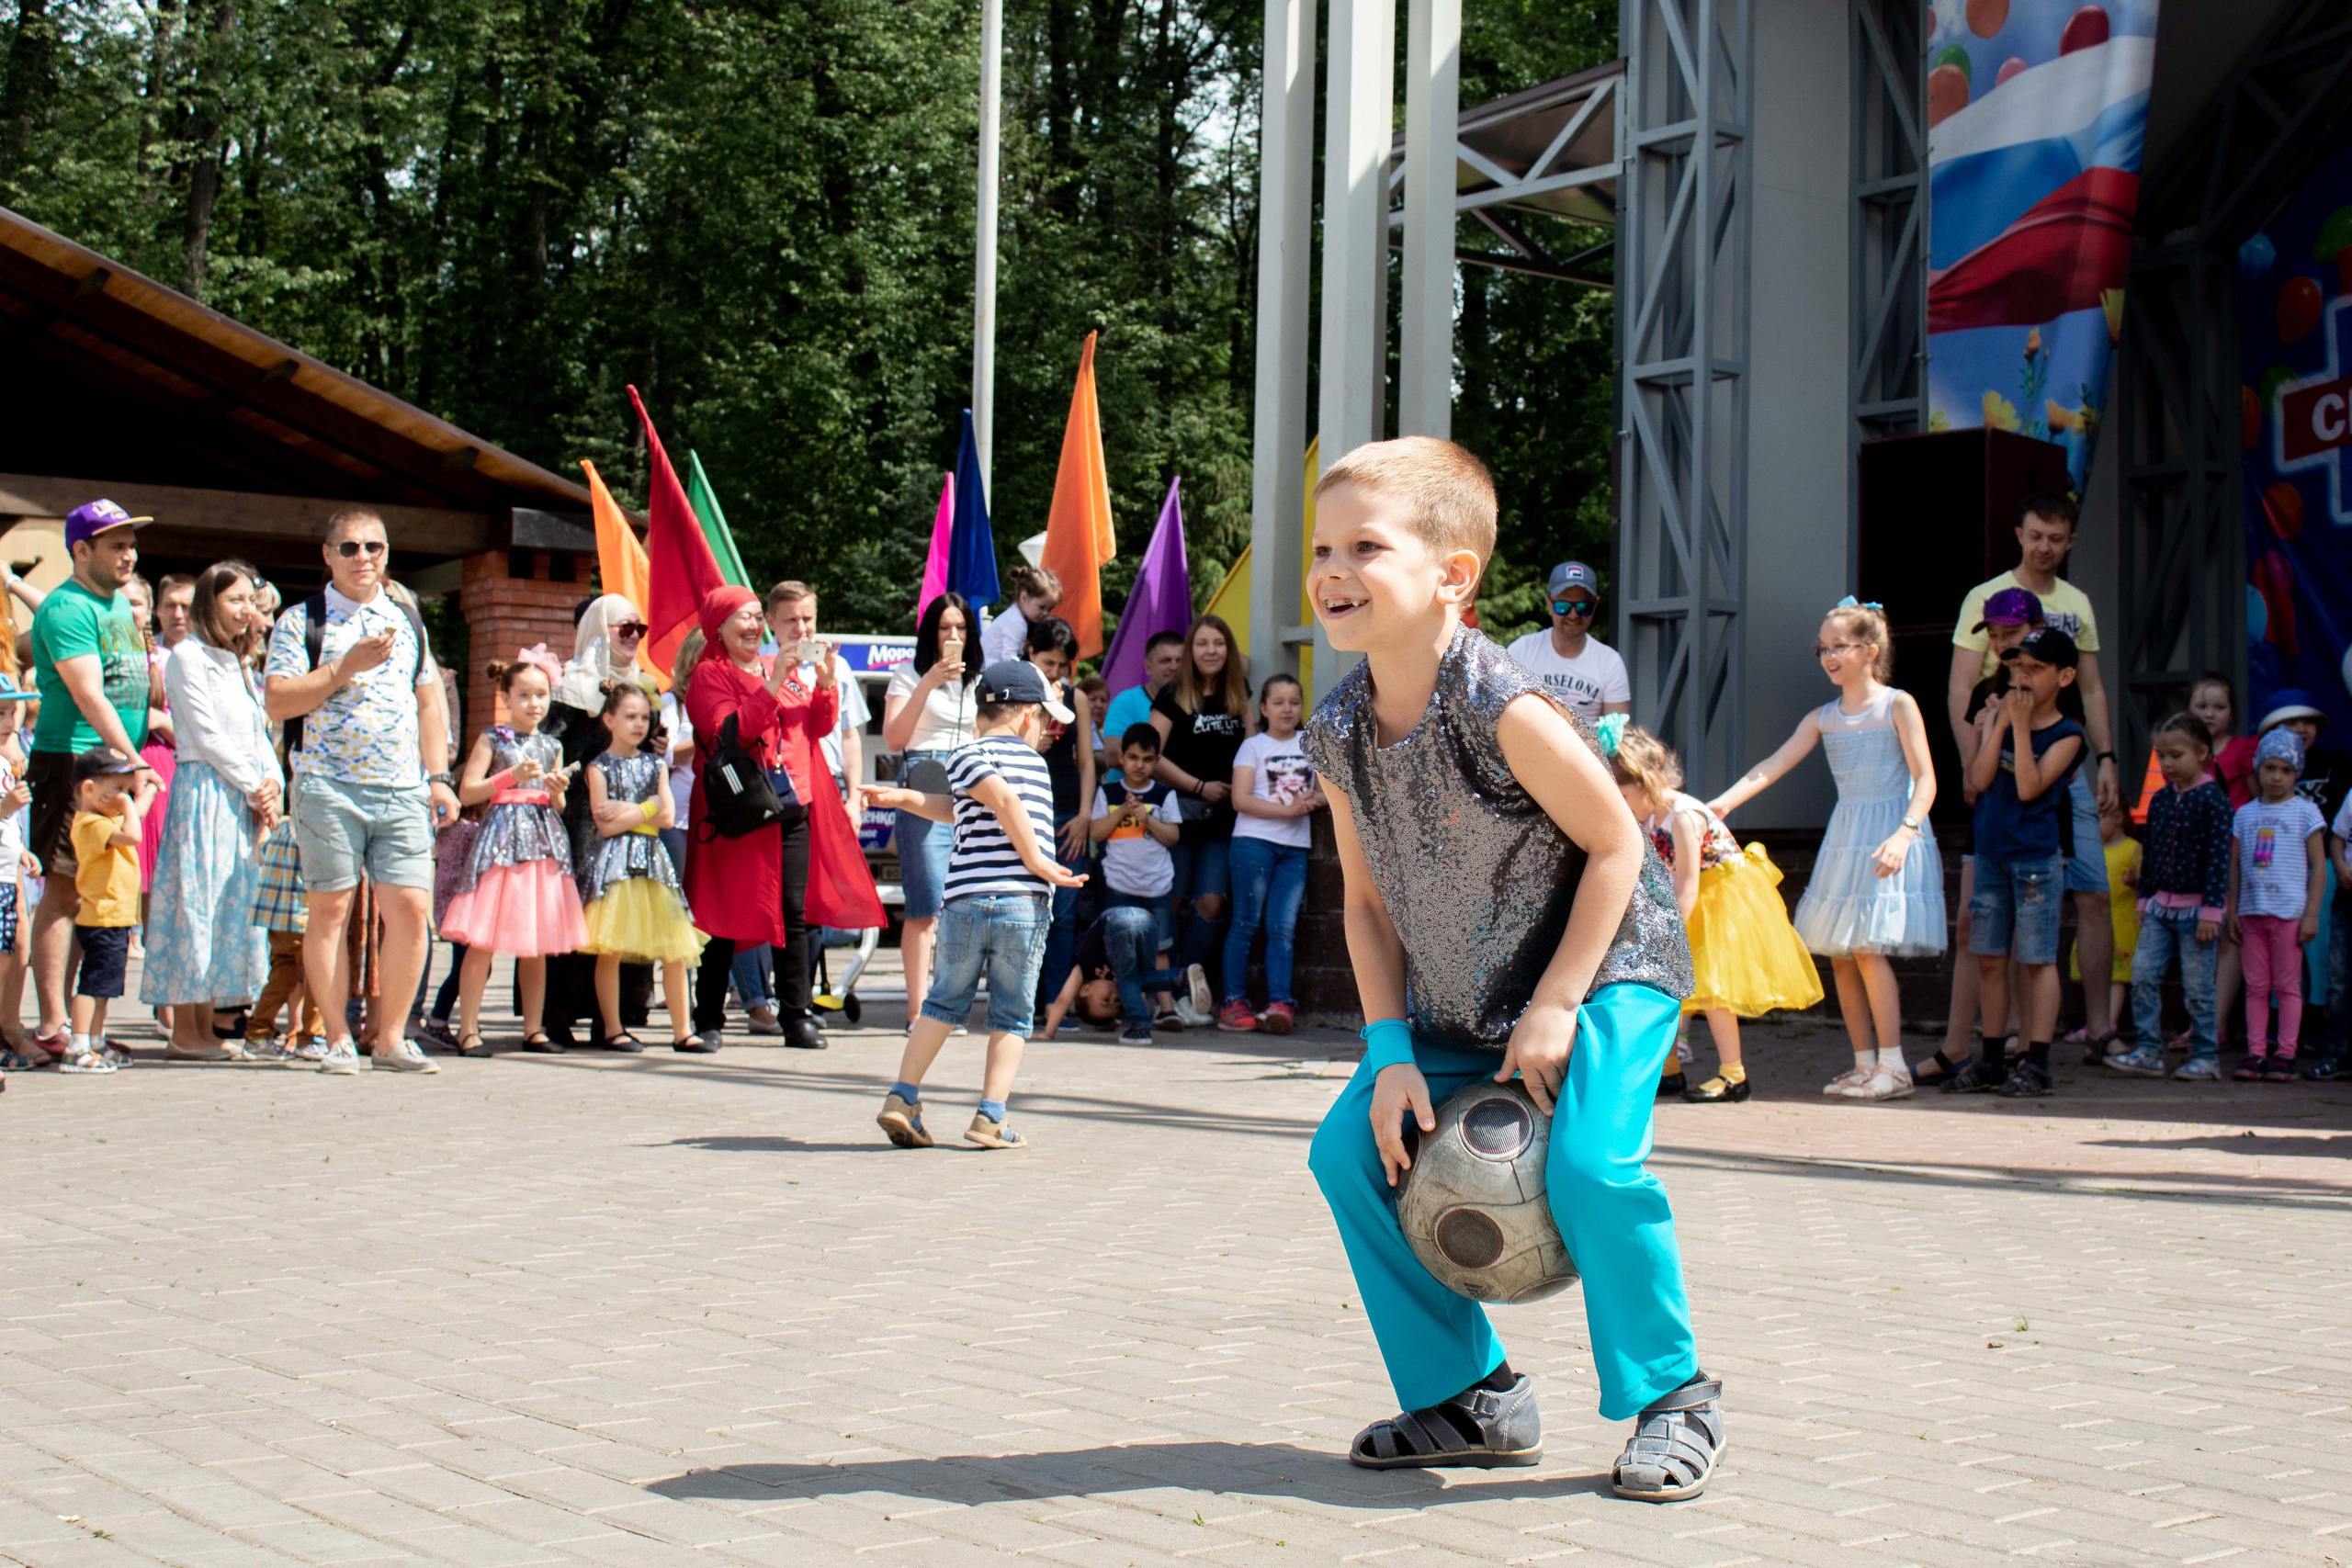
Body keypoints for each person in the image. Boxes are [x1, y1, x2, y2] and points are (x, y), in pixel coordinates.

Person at [1295, 437, 1715, 1497]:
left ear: (1453, 575)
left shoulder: (1502, 704)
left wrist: (1563, 999)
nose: (1331, 569)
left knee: (1588, 1167)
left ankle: (1675, 1396)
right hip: (1460, 995)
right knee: (1348, 1152)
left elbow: (1620, 845)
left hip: (1607, 963)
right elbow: (1364, 903)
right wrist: (1388, 1051)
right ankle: (1470, 1396)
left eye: (1364, 546)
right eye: (1321, 547)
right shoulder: (1335, 731)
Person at [1709, 599, 1942, 1100]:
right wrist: (1721, 806)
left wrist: (1905, 832)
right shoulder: (1824, 717)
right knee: (1840, 954)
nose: (1829, 655)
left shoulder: (1897, 704)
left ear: (1870, 650)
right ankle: (1863, 1064)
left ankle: (1895, 1066)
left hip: (1888, 829)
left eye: (1840, 646)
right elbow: (1771, 766)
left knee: (1866, 948)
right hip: (1846, 835)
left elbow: (1925, 778)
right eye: (1823, 647)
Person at [263, 507, 459, 1076]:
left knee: (411, 908)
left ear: (387, 554)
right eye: (349, 547)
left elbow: (428, 702)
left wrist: (438, 777)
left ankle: (392, 1038)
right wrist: (345, 666)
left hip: (401, 788)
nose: (362, 558)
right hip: (328, 786)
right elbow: (278, 702)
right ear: (327, 554)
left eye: (373, 547)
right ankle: (338, 1040)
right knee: (331, 912)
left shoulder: (407, 621)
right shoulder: (303, 621)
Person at [869, 660, 1087, 1151]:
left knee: (944, 1002)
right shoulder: (1033, 762)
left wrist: (903, 796)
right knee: (1012, 1015)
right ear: (1029, 715)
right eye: (1047, 720)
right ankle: (990, 1115)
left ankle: (903, 1097)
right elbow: (1001, 804)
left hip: (968, 901)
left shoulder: (965, 754)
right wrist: (1040, 863)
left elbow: (981, 805)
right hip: (1022, 903)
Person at [1948, 494, 2120, 1045]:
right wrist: (1972, 756)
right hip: (2000, 766)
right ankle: (1992, 1044)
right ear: (2019, 534)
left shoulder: (2077, 603)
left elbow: (2090, 688)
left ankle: (2096, 1031)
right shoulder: (1985, 597)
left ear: (2069, 543)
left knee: (2090, 894)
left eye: (2055, 538)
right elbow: (1961, 688)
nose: (2044, 547)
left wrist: (2109, 757)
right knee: (1988, 919)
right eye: (2035, 535)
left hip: (2060, 762)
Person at [1612, 719, 1823, 1103]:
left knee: (1713, 988)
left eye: (1623, 797)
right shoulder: (1654, 814)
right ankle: (1671, 1069)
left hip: (1719, 900)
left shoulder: (1684, 817)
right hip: (1691, 900)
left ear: (1644, 783)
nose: (1621, 807)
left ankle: (1734, 1075)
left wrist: (1669, 934)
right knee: (1676, 987)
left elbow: (1689, 883)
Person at [24, 501, 153, 1067]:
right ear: (81, 551)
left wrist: (131, 760)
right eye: (115, 545)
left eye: (130, 544)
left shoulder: (118, 605)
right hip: (70, 765)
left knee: (98, 895)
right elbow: (89, 695)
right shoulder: (68, 607)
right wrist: (134, 760)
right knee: (63, 889)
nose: (128, 554)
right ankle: (54, 1024)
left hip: (112, 767)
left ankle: (83, 1027)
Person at [683, 585, 838, 1053]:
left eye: (755, 617)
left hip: (788, 804)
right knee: (724, 911)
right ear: (720, 629)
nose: (752, 626)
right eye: (742, 618)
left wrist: (825, 683)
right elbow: (732, 732)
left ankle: (796, 1015)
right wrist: (772, 686)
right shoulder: (710, 675)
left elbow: (815, 726)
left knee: (792, 913)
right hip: (737, 807)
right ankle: (708, 1016)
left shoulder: (780, 669)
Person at [141, 562, 281, 1059]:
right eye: (235, 600)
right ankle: (186, 1031)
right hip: (205, 792)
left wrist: (271, 783)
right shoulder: (187, 657)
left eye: (250, 601)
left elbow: (259, 734)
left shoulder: (237, 662)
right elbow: (204, 734)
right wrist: (252, 785)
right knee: (195, 908)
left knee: (226, 910)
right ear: (210, 601)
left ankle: (208, 1028)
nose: (246, 611)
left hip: (240, 799)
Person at [1950, 627, 2087, 1097]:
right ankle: (1991, 1059)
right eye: (2015, 667)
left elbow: (2030, 786)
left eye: (2034, 668)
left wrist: (2022, 728)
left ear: (2065, 676)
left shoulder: (2069, 736)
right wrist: (1998, 727)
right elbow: (1981, 778)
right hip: (1992, 853)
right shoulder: (2001, 715)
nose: (2021, 678)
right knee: (1989, 958)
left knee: (2036, 958)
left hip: (2036, 861)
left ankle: (2037, 1062)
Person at [1928, 588, 2047, 1079]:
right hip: (1989, 824)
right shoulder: (1984, 691)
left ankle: (2025, 1039)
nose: (2000, 644)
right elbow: (1978, 772)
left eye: (2010, 634)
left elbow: (2045, 767)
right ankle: (1967, 1044)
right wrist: (1987, 727)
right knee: (1977, 924)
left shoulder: (2053, 689)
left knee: (2031, 937)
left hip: (2035, 832)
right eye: (1994, 635)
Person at [442, 649, 586, 1052]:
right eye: (523, 695)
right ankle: (468, 1028)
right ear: (506, 697)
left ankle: (534, 1029)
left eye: (541, 695)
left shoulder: (551, 744)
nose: (534, 704)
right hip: (500, 843)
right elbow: (468, 790)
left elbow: (555, 804)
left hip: (542, 844)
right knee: (482, 940)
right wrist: (509, 776)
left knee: (536, 940)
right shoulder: (492, 739)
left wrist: (556, 793)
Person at [2107, 713, 2232, 1081]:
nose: (2167, 764)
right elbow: (2152, 854)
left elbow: (2219, 858)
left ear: (2202, 753)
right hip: (2159, 907)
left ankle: (2206, 1056)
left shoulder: (2214, 801)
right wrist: (2145, 900)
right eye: (2161, 756)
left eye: (2176, 755)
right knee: (2143, 974)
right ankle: (2148, 1050)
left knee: (2197, 986)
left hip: (2197, 912)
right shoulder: (2160, 801)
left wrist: (2213, 911)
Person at [580, 682, 706, 1049]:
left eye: (644, 718)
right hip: (616, 866)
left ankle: (683, 1031)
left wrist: (636, 811)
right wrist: (648, 808)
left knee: (674, 947)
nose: (639, 724)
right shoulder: (598, 768)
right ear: (609, 720)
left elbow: (667, 816)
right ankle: (612, 1029)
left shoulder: (655, 764)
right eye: (630, 717)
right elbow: (605, 824)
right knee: (611, 948)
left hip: (654, 863)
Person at [883, 594, 978, 1024]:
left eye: (960, 627)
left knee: (963, 904)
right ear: (930, 633)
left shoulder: (978, 682)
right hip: (923, 782)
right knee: (925, 905)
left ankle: (949, 1004)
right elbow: (894, 738)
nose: (953, 636)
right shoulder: (907, 676)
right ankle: (918, 1010)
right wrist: (928, 683)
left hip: (971, 787)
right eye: (945, 627)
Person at [1151, 615, 1251, 996]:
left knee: (1211, 904)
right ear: (1191, 650)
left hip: (1225, 820)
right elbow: (1153, 756)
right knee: (1174, 902)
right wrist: (1199, 786)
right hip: (1178, 815)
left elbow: (1252, 747)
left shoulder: (1239, 691)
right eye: (1203, 644)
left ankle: (1189, 984)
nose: (1211, 651)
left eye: (1219, 643)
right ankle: (1168, 990)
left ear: (1229, 650)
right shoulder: (1173, 693)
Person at [1218, 671, 1322, 1034]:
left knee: (1283, 928)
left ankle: (1280, 1003)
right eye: (1278, 702)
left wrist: (1313, 799)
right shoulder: (1253, 747)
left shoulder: (1310, 743)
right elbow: (1240, 799)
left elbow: (1326, 794)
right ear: (1263, 708)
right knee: (1245, 922)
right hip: (1253, 842)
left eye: (1294, 702)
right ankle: (1233, 1001)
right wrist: (1288, 811)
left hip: (1294, 848)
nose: (1287, 709)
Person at [2229, 728, 2324, 1080]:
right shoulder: (2244, 815)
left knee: (2287, 986)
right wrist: (2234, 909)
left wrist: (2311, 914)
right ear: (2258, 769)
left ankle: (2285, 1053)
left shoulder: (2306, 812)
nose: (2277, 776)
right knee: (2255, 986)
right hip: (2252, 913)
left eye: (2286, 769)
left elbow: (2318, 867)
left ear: (2296, 773)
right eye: (2270, 767)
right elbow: (2235, 867)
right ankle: (2255, 1053)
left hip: (2288, 914)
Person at [62, 745, 156, 1074]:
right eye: (115, 789)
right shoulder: (91, 824)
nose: (122, 796)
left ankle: (96, 1041)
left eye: (125, 789)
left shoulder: (108, 817)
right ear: (89, 789)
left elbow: (137, 815)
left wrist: (151, 787)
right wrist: (130, 803)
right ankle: (77, 1045)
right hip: (100, 918)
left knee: (104, 988)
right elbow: (133, 834)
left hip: (115, 918)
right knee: (91, 985)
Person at [1025, 615, 1095, 1031]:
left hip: (1069, 813)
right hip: (1027, 813)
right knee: (1028, 910)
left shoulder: (1076, 699)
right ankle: (1023, 1001)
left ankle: (1055, 1003)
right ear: (1030, 655)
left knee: (1064, 916)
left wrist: (1086, 814)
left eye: (1060, 666)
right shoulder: (1015, 693)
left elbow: (1086, 762)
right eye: (1046, 663)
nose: (1052, 673)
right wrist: (1033, 740)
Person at [1091, 723, 1184, 990]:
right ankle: (1132, 1005)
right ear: (1121, 758)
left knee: (1160, 948)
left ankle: (1165, 1007)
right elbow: (1096, 833)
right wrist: (1121, 811)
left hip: (1156, 885)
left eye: (1147, 759)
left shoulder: (1164, 794)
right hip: (1119, 885)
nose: (1139, 765)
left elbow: (1173, 837)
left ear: (1157, 760)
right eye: (1133, 757)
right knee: (1122, 950)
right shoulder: (1107, 792)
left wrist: (1148, 820)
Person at [1039, 906, 1215, 1046]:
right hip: (1147, 920)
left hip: (1117, 923)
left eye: (1105, 999)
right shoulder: (1116, 979)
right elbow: (1139, 992)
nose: (1115, 995)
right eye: (1117, 1002)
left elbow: (1062, 999)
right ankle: (1182, 978)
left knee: (1127, 981)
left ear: (1085, 990)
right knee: (1143, 978)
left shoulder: (1083, 969)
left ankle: (1140, 1027)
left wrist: (1048, 1033)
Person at [1502, 560, 1632, 723]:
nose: (1573, 615)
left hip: (1587, 748)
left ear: (1595, 605)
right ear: (1549, 604)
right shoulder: (1522, 651)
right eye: (1563, 606)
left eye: (1583, 607)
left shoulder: (1610, 662)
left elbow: (1619, 737)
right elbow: (1499, 716)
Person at [244, 809, 327, 1062]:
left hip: (278, 919)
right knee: (319, 974)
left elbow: (262, 854)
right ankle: (312, 1036)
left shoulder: (283, 828)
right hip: (305, 916)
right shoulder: (317, 831)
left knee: (282, 974)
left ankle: (258, 1033)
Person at [2072, 793, 2141, 1059]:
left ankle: (2107, 1023)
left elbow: (2143, 880)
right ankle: (2093, 1023)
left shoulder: (2133, 847)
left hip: (2122, 919)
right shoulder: (2091, 851)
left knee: (2117, 977)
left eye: (2097, 818)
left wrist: (2135, 880)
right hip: (2098, 918)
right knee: (2093, 971)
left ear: (2118, 818)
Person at [0, 680, 34, 1066]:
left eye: (12, 712)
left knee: (6, 961)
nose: (9, 722)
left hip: (8, 879)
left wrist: (22, 852)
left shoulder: (6, 764)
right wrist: (6, 806)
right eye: (0, 714)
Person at [1102, 630, 1185, 748]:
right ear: (1148, 667)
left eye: (1180, 661)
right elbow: (1113, 754)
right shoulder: (1126, 702)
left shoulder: (1198, 701)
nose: (1174, 667)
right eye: (1165, 661)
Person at [978, 563, 1062, 667]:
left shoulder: (1014, 615)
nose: (1045, 613)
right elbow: (1009, 658)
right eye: (1041, 607)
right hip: (987, 671)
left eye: (1049, 609)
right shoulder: (1017, 622)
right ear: (1024, 597)